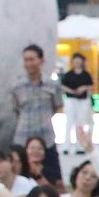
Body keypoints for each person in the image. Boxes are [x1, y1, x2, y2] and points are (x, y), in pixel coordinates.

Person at [10, 44, 62, 183]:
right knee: (21, 178)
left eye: (32, 59)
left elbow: (57, 106)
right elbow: (16, 109)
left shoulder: (52, 85)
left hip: (47, 139)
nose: (29, 63)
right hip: (23, 139)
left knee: (53, 179)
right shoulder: (17, 86)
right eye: (26, 60)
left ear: (41, 61)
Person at [60, 53, 94, 153]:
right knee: (69, 122)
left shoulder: (86, 75)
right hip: (71, 100)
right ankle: (66, 145)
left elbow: (90, 86)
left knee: (80, 123)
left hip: (82, 100)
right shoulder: (68, 74)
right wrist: (71, 91)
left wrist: (83, 88)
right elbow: (62, 86)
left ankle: (80, 146)